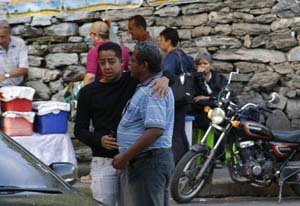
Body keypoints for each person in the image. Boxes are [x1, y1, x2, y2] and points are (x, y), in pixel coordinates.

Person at [74, 42, 169, 206]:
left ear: (122, 62)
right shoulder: (88, 92)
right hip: (104, 160)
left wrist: (165, 79)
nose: (107, 67)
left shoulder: (133, 81)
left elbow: (158, 72)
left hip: (133, 160)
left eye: (111, 61)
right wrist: (98, 139)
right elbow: (79, 129)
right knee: (104, 202)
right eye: (102, 62)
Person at [113, 41, 174, 206]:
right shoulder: (150, 85)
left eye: (133, 61)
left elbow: (155, 130)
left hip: (149, 163)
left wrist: (125, 156)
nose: (129, 64)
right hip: (148, 161)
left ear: (144, 65)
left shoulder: (153, 91)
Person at [159, 27, 194, 164]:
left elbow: (166, 75)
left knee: (175, 133)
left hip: (175, 98)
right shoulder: (184, 56)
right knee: (180, 131)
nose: (160, 43)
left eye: (161, 40)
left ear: (168, 41)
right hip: (184, 98)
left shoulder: (172, 57)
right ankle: (187, 161)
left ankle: (178, 164)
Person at [193, 50, 227, 165]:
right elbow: (196, 99)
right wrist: (199, 77)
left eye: (205, 63)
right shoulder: (194, 79)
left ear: (210, 65)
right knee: (211, 122)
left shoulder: (220, 79)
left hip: (217, 112)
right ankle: (205, 156)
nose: (202, 66)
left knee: (223, 122)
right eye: (199, 64)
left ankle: (219, 157)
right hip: (201, 113)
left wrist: (207, 99)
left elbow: (221, 98)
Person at [83, 21, 131, 85]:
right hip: (121, 88)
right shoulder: (123, 49)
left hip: (102, 90)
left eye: (90, 35)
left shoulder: (94, 51)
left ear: (96, 35)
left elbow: (90, 77)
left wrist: (83, 93)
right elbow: (130, 71)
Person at [0, 19, 28, 86]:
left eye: (3, 37)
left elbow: (24, 69)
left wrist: (6, 75)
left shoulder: (19, 43)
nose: (0, 41)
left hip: (18, 84)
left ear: (10, 34)